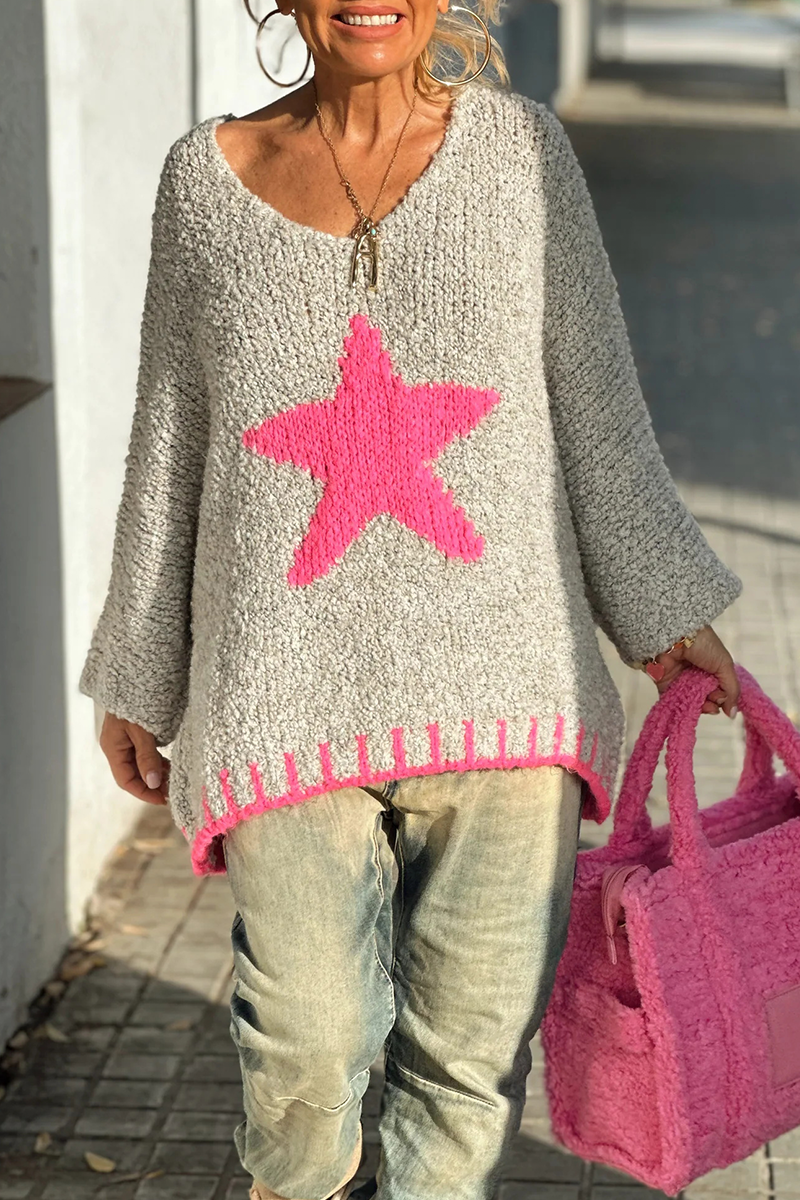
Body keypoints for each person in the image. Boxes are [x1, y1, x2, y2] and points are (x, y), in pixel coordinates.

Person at [78, 0, 743, 1195]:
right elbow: (170, 432)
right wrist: (138, 663)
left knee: (463, 1070)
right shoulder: (203, 183)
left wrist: (661, 609)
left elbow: (593, 399)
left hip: (507, 691)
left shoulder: (522, 155)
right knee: (307, 1047)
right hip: (280, 691)